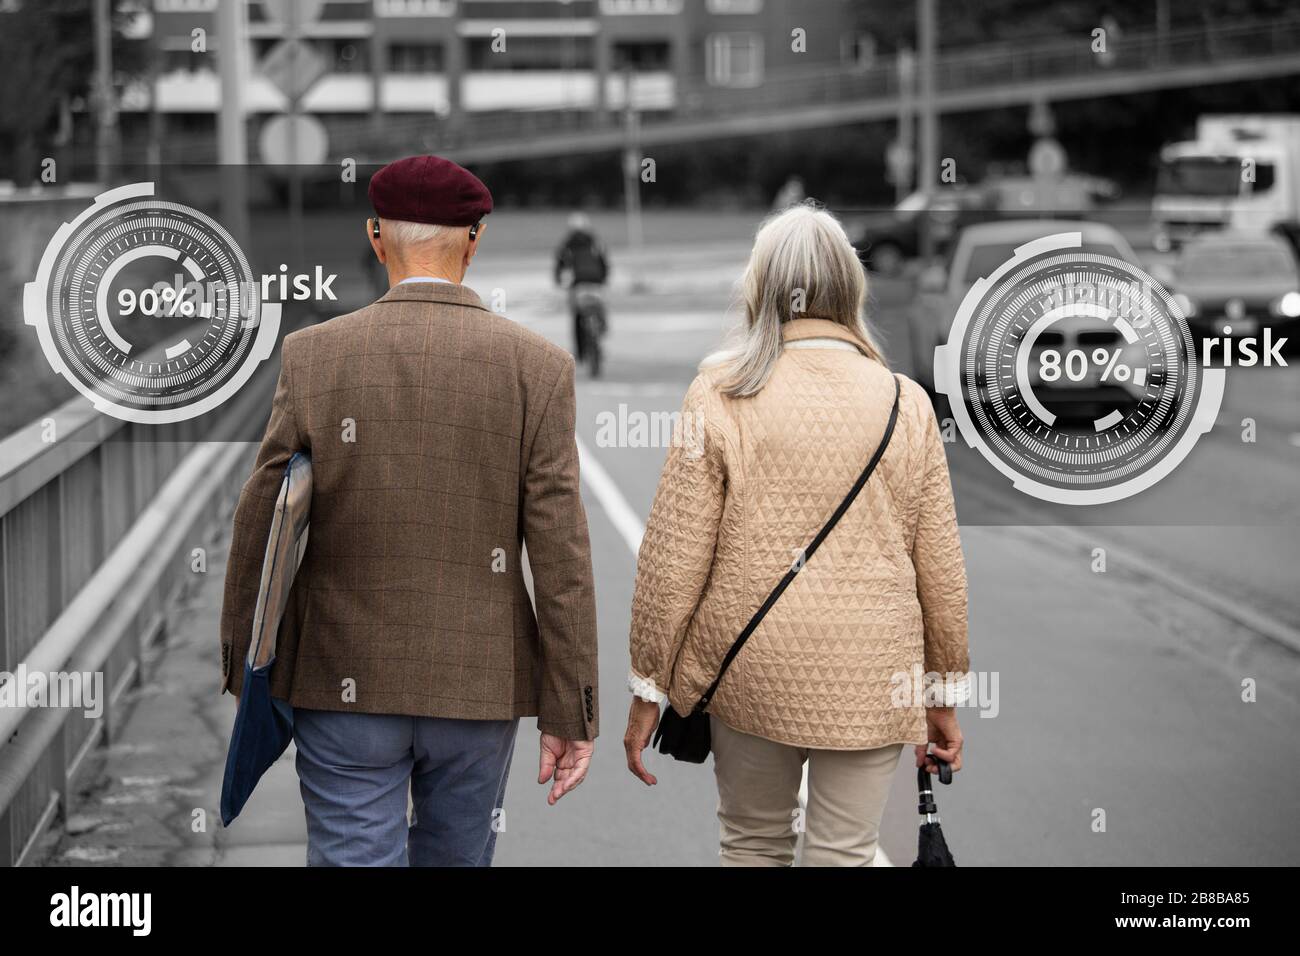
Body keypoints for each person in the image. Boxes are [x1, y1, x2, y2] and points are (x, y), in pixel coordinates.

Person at [219, 155, 599, 867]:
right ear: (475, 240)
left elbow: (259, 516)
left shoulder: (313, 357)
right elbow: (562, 555)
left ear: (375, 236)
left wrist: (246, 668)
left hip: (339, 681)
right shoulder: (537, 368)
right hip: (478, 689)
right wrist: (570, 708)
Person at [622, 202, 970, 867]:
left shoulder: (721, 393)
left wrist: (649, 687)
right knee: (845, 852)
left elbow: (672, 562)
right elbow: (942, 572)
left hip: (751, 667)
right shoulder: (907, 402)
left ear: (761, 288)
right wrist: (944, 695)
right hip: (872, 675)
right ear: (850, 286)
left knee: (752, 846)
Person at [553, 212, 609, 362]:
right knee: (599, 304)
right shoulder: (595, 242)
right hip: (596, 280)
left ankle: (581, 352)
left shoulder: (567, 244)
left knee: (577, 315)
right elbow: (604, 262)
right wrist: (604, 278)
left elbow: (560, 265)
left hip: (578, 282)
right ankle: (602, 326)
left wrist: (558, 280)